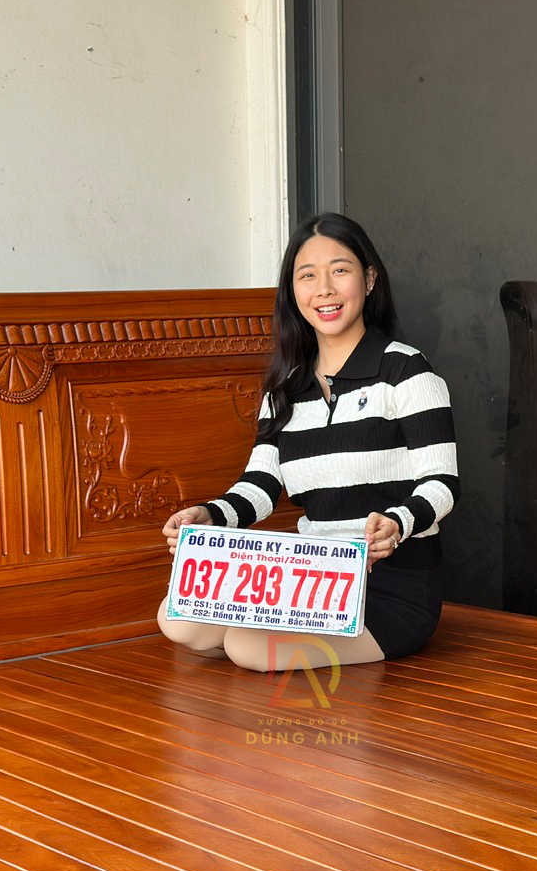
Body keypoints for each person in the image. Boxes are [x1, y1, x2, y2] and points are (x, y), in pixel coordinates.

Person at [158, 213, 457, 671]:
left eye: (340, 270)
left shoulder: (407, 370)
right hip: (313, 577)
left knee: (246, 647)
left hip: (392, 584)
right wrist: (209, 516)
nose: (325, 289)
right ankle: (270, 638)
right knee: (177, 619)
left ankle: (274, 642)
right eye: (308, 275)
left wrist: (397, 524)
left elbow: (442, 484)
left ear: (369, 279)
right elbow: (259, 487)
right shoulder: (285, 388)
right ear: (293, 291)